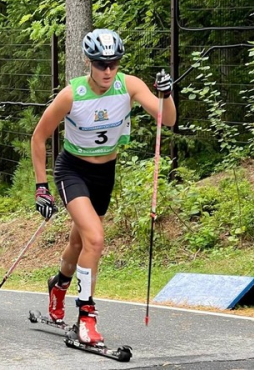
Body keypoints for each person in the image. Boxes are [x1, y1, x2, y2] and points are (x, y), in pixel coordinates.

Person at [31, 29, 176, 345]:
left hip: (104, 174)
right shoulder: (72, 94)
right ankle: (86, 316)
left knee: (80, 242)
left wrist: (166, 95)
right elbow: (39, 137)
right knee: (95, 240)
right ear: (88, 61)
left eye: (113, 63)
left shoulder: (129, 85)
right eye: (100, 64)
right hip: (72, 170)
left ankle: (58, 286)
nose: (107, 70)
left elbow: (167, 120)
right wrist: (41, 187)